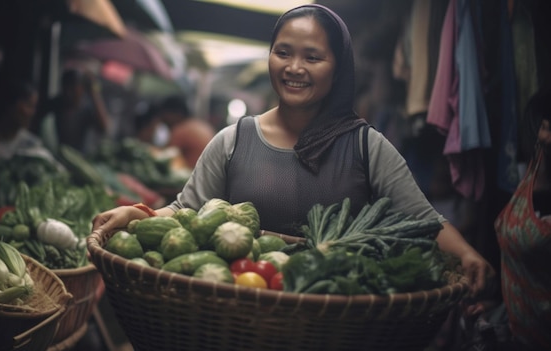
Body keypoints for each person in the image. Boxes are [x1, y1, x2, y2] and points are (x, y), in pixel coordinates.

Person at [92, 4, 493, 297]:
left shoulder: (366, 146)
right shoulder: (232, 140)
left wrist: (467, 255)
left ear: (338, 68)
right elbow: (185, 211)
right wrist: (136, 214)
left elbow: (422, 220)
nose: (294, 68)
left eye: (312, 57)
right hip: (238, 317)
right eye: (283, 52)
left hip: (335, 324)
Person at [494, 88, 551, 350]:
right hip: (518, 334)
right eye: (544, 127)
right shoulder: (536, 166)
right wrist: (497, 305)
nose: (546, 137)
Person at [0, 79, 58, 165]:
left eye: (34, 107)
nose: (32, 113)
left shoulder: (33, 147)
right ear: (10, 105)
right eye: (29, 106)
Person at [35, 68, 111, 154]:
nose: (68, 93)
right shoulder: (53, 105)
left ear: (82, 89)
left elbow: (104, 128)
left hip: (78, 158)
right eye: (66, 88)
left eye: (73, 89)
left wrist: (93, 91)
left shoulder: (86, 110)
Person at [155, 95, 216, 169]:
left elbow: (164, 158)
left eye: (164, 115)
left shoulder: (181, 130)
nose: (163, 120)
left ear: (174, 113)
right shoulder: (201, 125)